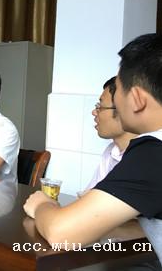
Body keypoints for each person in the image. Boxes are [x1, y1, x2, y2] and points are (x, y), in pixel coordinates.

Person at [24, 33, 162, 265]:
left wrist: (42, 205)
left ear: (137, 99)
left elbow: (61, 233)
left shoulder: (153, 152)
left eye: (119, 90)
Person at [81, 76, 138, 194]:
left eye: (100, 107)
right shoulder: (111, 151)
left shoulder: (145, 159)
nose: (94, 112)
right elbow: (90, 196)